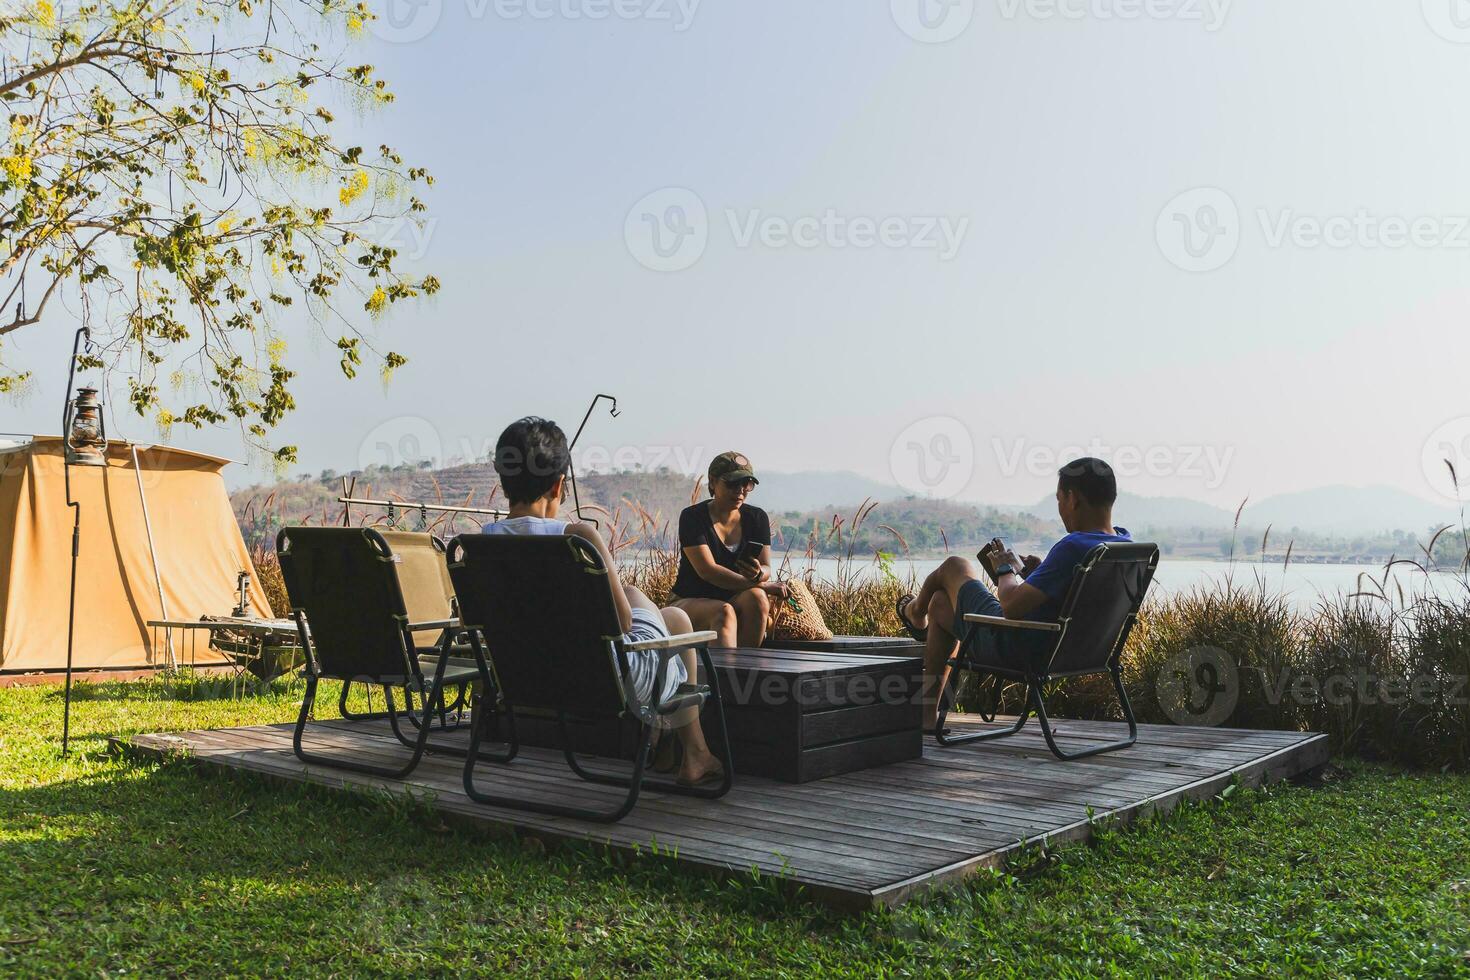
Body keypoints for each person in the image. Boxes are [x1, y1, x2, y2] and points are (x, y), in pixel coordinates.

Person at [481, 417, 723, 787]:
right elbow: (623, 625)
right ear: (559, 485)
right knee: (674, 618)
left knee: (659, 610)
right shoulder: (578, 538)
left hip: (522, 678)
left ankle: (688, 749)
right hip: (609, 683)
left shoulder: (482, 543)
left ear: (503, 481)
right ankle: (690, 749)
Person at [895, 457, 1132, 731]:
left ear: (1073, 498)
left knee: (954, 566)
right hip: (1079, 653)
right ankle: (926, 715)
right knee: (940, 604)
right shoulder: (1123, 546)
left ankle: (914, 613)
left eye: (1059, 499)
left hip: (1019, 649)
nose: (1060, 509)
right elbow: (1074, 600)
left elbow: (1010, 607)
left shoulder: (1073, 547)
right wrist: (1036, 574)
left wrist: (1004, 568)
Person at [668, 451, 789, 649]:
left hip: (736, 596)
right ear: (713, 482)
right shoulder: (693, 518)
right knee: (723, 612)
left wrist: (758, 574)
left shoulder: (756, 518)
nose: (740, 491)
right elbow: (708, 571)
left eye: (747, 484)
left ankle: (747, 672)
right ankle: (724, 678)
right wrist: (760, 585)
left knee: (758, 599)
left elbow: (766, 568)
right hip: (689, 600)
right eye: (732, 484)